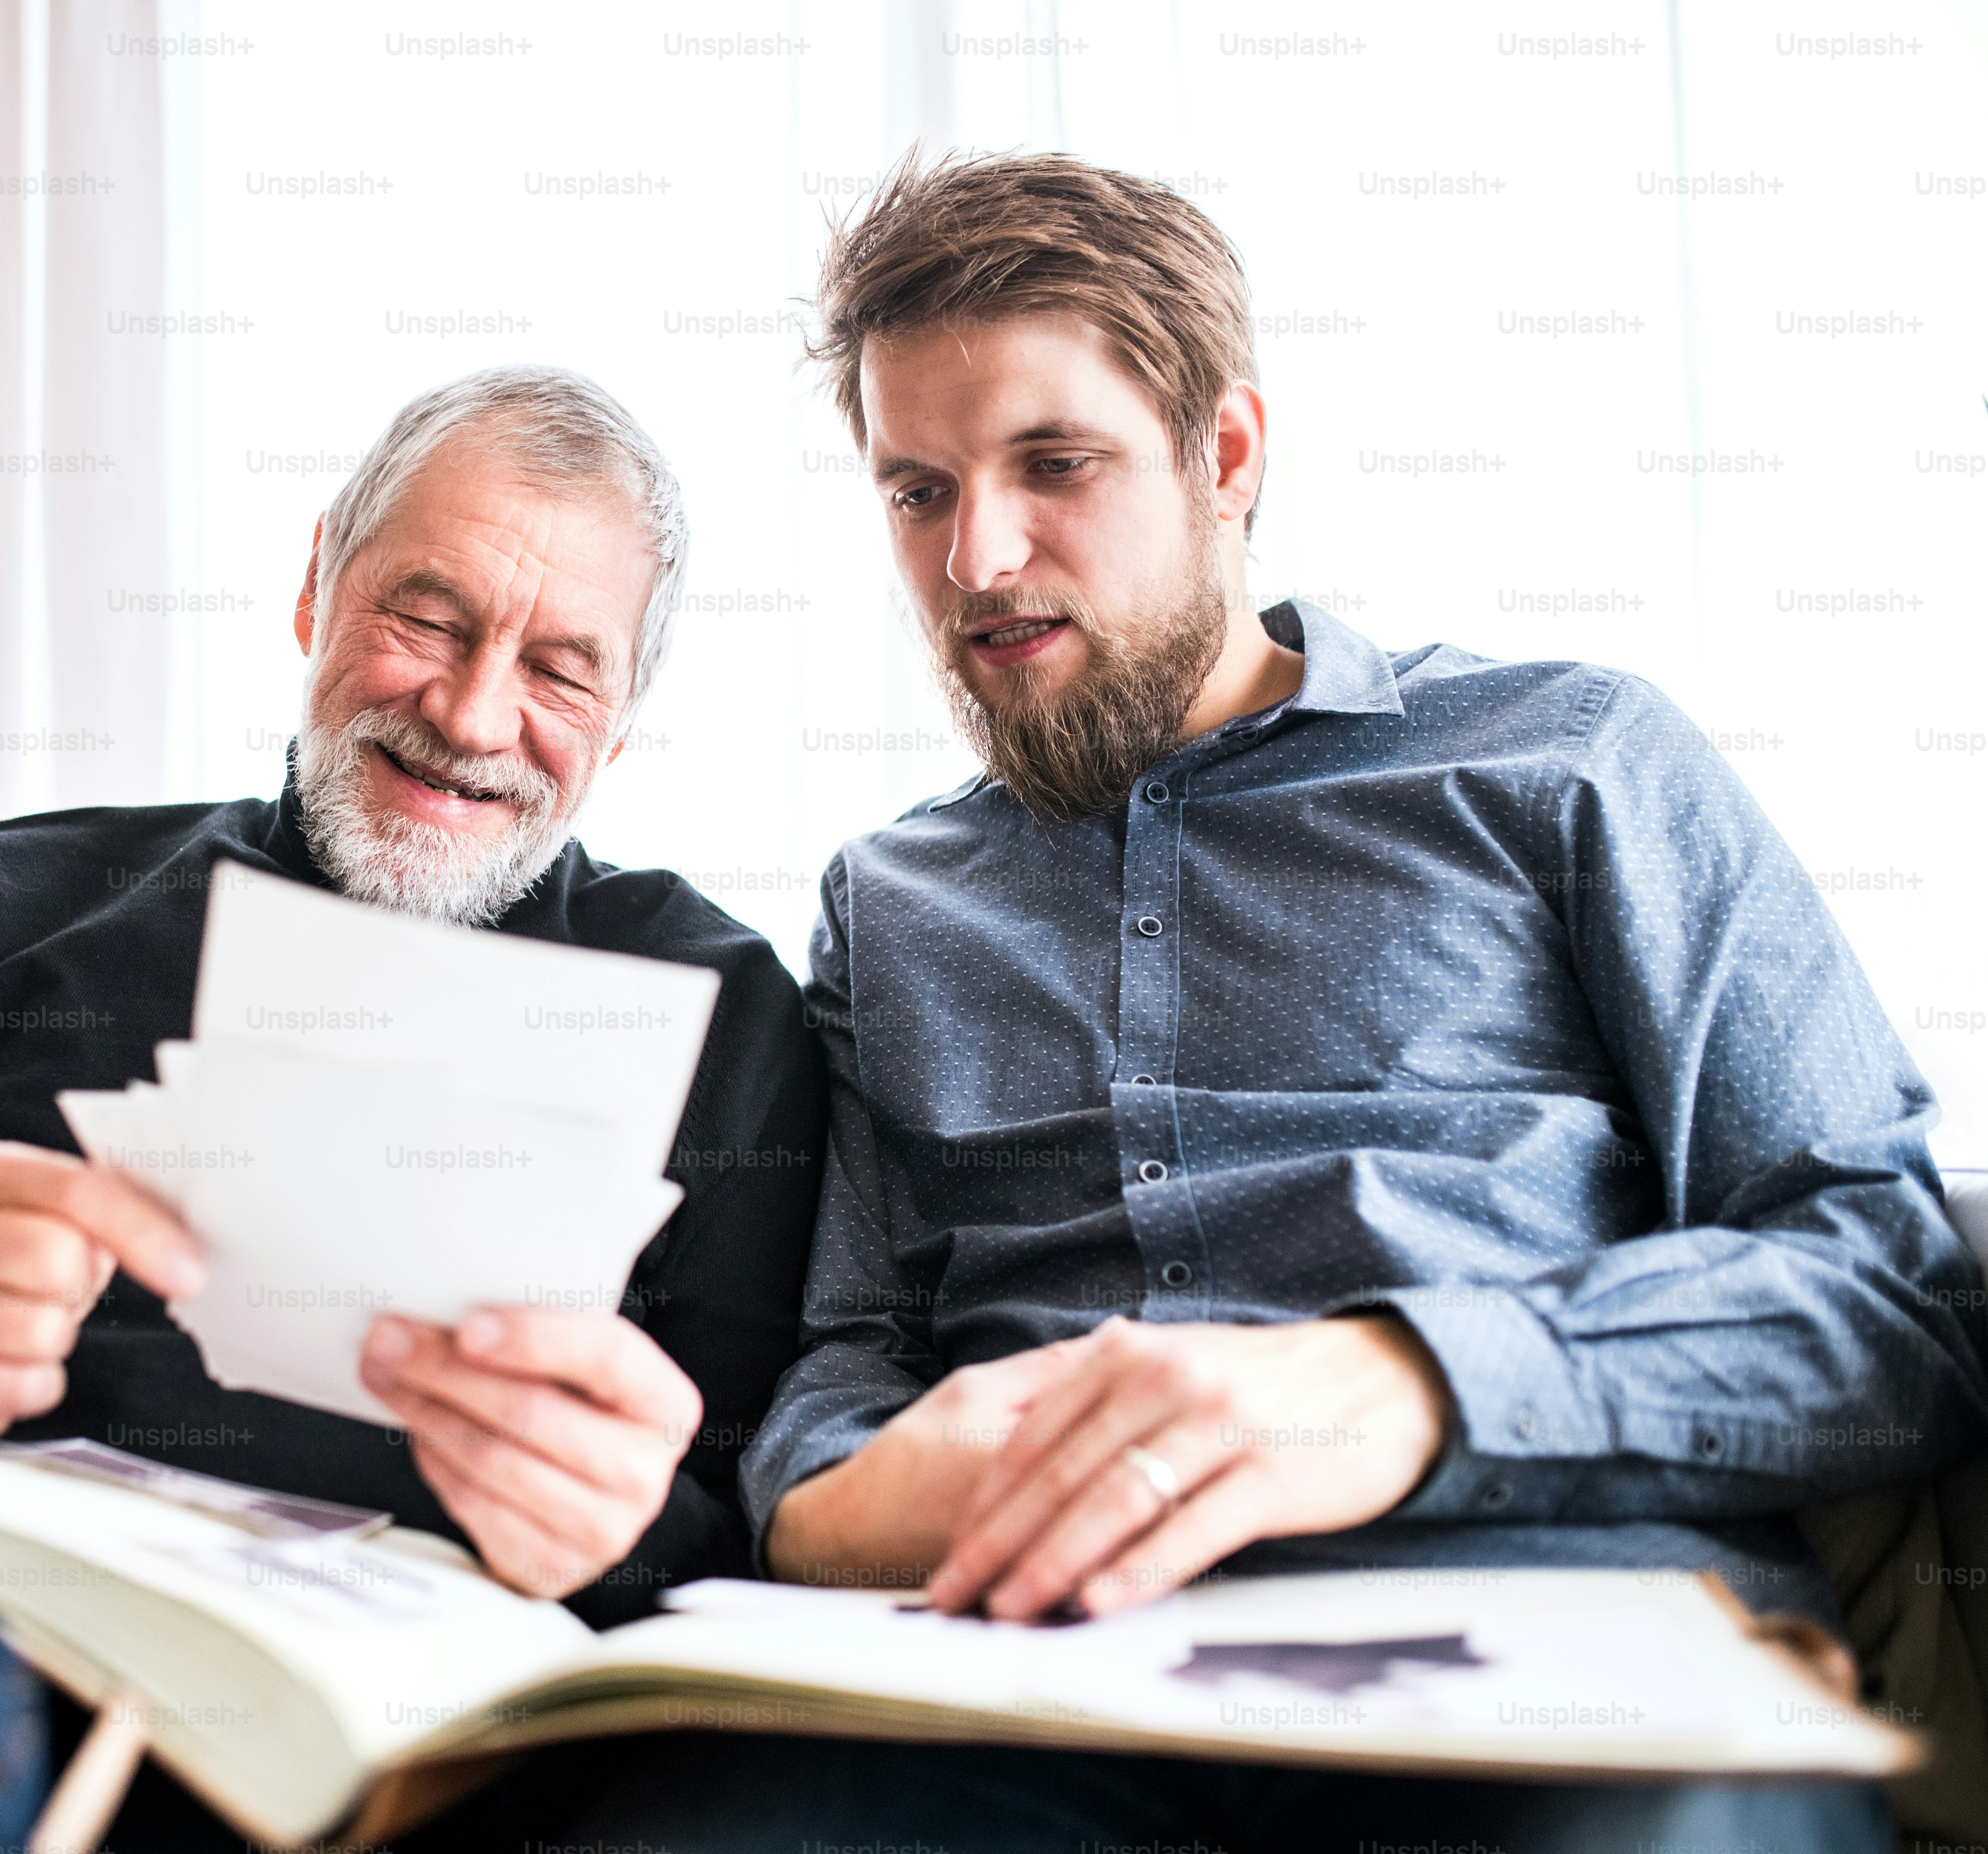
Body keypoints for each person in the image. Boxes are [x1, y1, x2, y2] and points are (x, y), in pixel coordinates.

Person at [546, 152, 1988, 1854]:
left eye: (1053, 464)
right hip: (1015, 1686)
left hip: (1546, 1677)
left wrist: (1411, 1386)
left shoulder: (1570, 762)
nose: (979, 557)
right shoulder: (892, 902)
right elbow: (857, 1347)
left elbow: (1885, 1291)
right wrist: (833, 1502)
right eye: (917, 492)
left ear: (1223, 456)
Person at [0, 366, 828, 1853]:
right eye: (425, 619)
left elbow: (766, 1543)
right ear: (317, 588)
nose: (470, 710)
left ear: (624, 718)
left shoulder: (717, 1008)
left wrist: (620, 1530)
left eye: (562, 668)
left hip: (430, 1753)